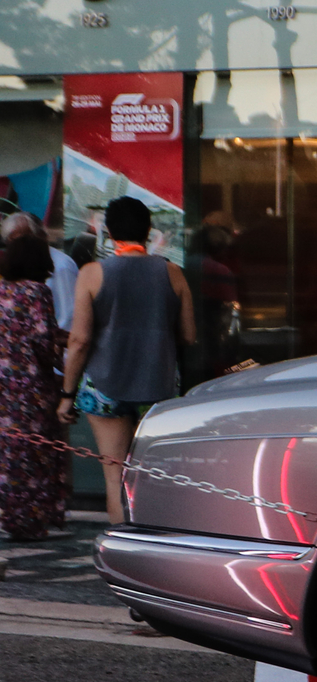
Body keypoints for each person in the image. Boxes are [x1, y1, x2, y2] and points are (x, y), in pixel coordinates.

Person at [58, 197, 194, 524]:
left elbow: (79, 341)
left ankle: (124, 549)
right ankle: (159, 542)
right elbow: (189, 336)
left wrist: (66, 395)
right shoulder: (173, 273)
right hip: (158, 386)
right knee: (152, 474)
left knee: (114, 475)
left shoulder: (92, 273)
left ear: (108, 231)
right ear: (149, 231)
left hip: (105, 387)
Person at [0, 226, 68, 539]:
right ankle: (30, 519)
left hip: (3, 384)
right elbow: (42, 339)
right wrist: (63, 352)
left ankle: (8, 512)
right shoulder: (36, 292)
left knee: (8, 453)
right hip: (30, 387)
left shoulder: (3, 289)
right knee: (34, 454)